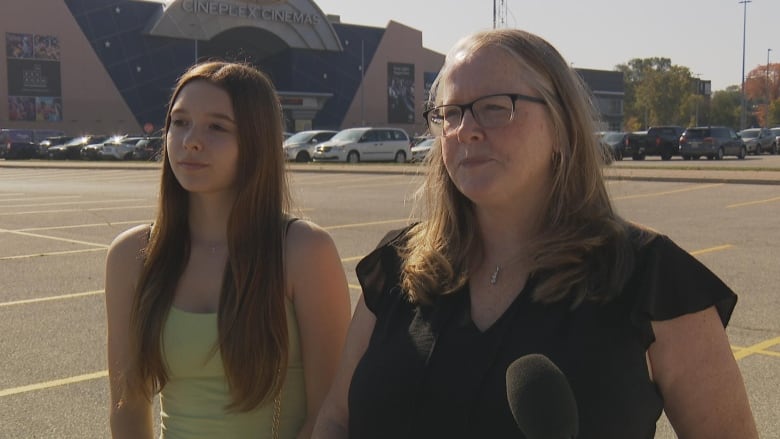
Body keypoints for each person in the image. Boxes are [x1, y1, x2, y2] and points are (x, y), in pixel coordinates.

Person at [312, 29, 758, 439]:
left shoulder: (650, 278)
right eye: (450, 113)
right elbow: (335, 419)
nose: (466, 130)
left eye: (495, 107)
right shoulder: (397, 267)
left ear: (561, 129)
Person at [105, 61, 351, 439]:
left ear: (256, 140)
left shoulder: (303, 250)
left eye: (217, 126)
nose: (191, 140)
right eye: (180, 122)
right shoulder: (132, 255)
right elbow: (128, 407)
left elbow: (328, 414)